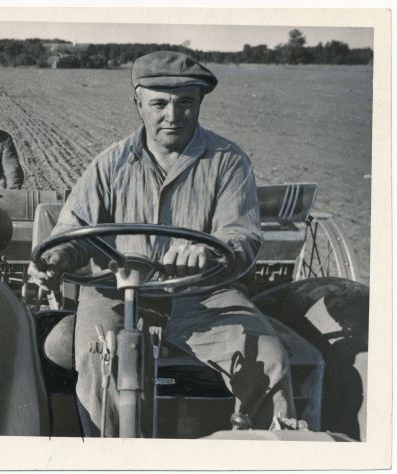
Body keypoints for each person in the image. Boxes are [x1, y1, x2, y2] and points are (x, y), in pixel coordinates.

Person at [28, 51, 296, 437]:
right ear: (138, 104)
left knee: (268, 359)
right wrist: (56, 256)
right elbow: (75, 231)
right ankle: (114, 454)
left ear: (199, 103)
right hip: (116, 291)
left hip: (202, 295)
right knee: (100, 358)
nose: (172, 115)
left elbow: (242, 235)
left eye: (185, 102)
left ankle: (271, 451)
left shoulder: (228, 162)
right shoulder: (109, 164)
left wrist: (208, 253)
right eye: (159, 103)